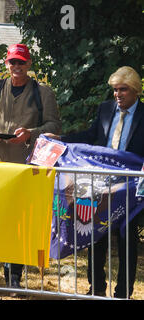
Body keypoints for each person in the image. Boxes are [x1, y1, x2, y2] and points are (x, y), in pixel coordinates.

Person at [0, 43, 61, 295]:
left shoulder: (43, 92)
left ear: (29, 64)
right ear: (6, 64)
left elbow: (54, 125)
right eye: (13, 62)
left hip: (24, 166)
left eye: (21, 62)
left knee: (17, 225)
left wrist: (30, 134)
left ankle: (13, 278)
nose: (17, 66)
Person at [45, 66, 144, 298]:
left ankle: (123, 292)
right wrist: (61, 140)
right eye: (115, 90)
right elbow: (90, 137)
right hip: (99, 185)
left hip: (129, 189)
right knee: (94, 235)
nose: (118, 95)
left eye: (123, 90)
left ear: (135, 92)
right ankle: (97, 288)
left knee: (126, 239)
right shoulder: (105, 110)